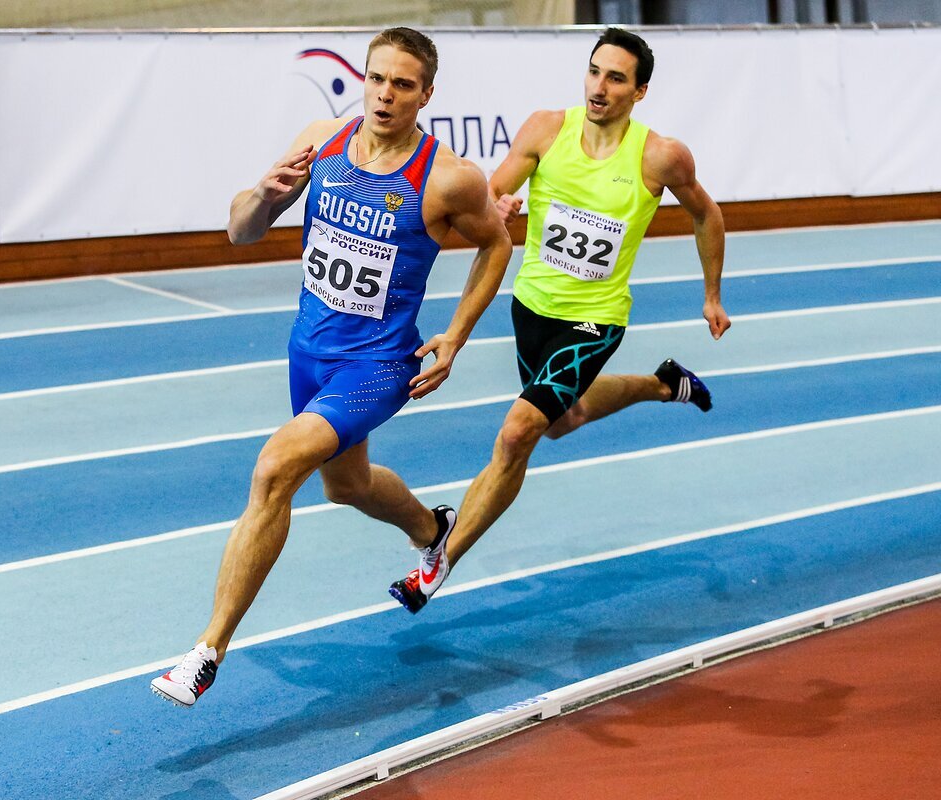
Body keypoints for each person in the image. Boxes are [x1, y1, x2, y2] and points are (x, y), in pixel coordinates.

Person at [152, 27, 513, 706]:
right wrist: (263, 192)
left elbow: (497, 244)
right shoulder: (325, 140)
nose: (385, 94)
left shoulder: (448, 178)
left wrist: (456, 337)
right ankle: (435, 531)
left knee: (274, 469)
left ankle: (206, 650)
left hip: (377, 365)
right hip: (308, 350)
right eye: (377, 78)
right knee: (345, 486)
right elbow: (241, 230)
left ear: (426, 94)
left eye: (402, 84)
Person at [388, 27, 732, 614]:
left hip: (595, 320)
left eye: (616, 77)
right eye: (595, 71)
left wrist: (712, 295)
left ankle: (440, 560)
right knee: (560, 420)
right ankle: (661, 383)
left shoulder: (660, 156)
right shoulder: (547, 129)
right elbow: (491, 193)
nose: (600, 86)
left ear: (639, 91)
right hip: (532, 308)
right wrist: (498, 205)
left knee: (518, 432)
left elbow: (707, 215)